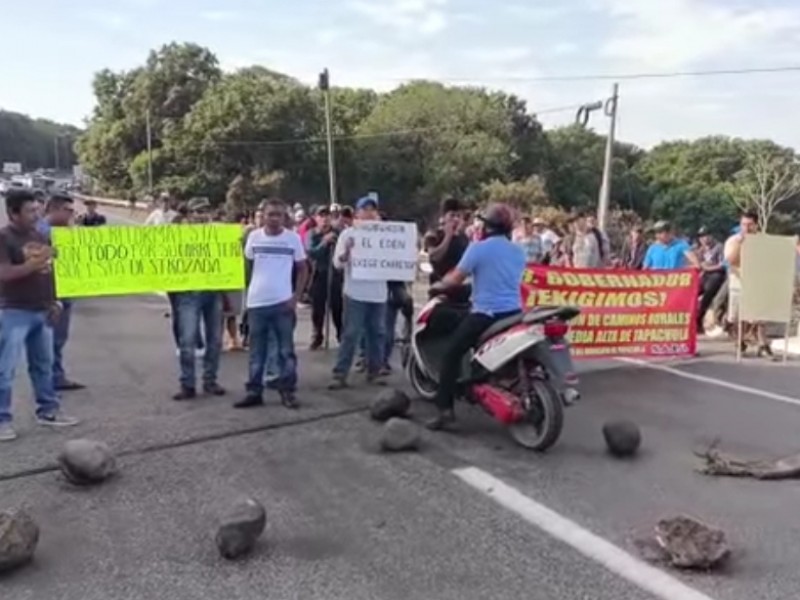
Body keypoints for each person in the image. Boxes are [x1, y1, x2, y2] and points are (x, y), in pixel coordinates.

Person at [426, 203, 526, 430]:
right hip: (514, 313)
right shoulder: (518, 251)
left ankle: (445, 411)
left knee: (451, 354)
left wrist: (439, 287)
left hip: (486, 315)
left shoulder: (478, 248)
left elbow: (455, 279)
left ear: (487, 226)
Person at [0, 189, 79, 441]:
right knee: (5, 369)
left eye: (37, 209)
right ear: (13, 213)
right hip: (13, 310)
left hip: (40, 309)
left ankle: (49, 411)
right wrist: (31, 265)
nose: (36, 215)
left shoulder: (39, 234)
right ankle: (2, 420)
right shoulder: (3, 237)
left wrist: (54, 300)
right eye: (30, 210)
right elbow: (4, 273)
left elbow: (49, 271)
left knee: (43, 365)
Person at [236, 199, 309, 410]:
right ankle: (254, 391)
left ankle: (287, 391)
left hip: (283, 303)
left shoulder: (293, 239)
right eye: (270, 214)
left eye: (278, 214)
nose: (274, 218)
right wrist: (249, 296)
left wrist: (296, 297)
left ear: (284, 217)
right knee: (257, 351)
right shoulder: (254, 237)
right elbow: (248, 267)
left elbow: (303, 269)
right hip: (257, 303)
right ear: (263, 216)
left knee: (286, 351)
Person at [329, 196, 388, 389]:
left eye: (373, 210)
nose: (369, 213)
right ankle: (340, 373)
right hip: (355, 292)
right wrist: (347, 252)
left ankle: (375, 371)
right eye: (365, 209)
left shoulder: (386, 236)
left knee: (377, 334)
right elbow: (337, 264)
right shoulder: (348, 235)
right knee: (351, 334)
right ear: (357, 213)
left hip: (379, 293)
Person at [171, 198, 226, 400]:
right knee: (187, 340)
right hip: (188, 293)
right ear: (189, 215)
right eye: (197, 212)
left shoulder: (219, 234)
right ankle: (188, 384)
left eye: (205, 211)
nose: (201, 215)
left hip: (213, 291)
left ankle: (210, 381)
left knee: (215, 340)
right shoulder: (177, 236)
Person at [37, 193, 85, 391]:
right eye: (68, 210)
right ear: (54, 209)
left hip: (63, 289)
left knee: (57, 338)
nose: (71, 215)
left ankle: (55, 375)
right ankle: (49, 379)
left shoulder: (60, 231)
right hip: (52, 292)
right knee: (53, 338)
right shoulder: (44, 232)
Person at [724, 210, 770, 357]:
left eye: (750, 225)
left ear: (756, 225)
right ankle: (740, 341)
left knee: (760, 316)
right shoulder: (733, 240)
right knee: (739, 317)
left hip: (758, 282)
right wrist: (740, 243)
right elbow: (731, 260)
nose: (746, 228)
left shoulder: (764, 241)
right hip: (738, 282)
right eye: (743, 224)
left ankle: (763, 344)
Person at [307, 205, 342, 349]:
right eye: (321, 216)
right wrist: (324, 242)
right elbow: (312, 252)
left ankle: (341, 335)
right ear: (316, 218)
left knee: (338, 308)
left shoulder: (338, 233)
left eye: (327, 215)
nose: (325, 219)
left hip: (335, 275)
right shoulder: (312, 234)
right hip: (318, 275)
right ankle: (317, 335)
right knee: (317, 309)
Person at [424, 197, 469, 284]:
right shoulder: (433, 235)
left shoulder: (464, 238)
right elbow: (434, 257)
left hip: (459, 284)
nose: (455, 219)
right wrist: (448, 237)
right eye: (452, 215)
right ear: (444, 217)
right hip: (439, 283)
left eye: (458, 216)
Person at [695, 226, 726, 334]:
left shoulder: (719, 247)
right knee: (692, 291)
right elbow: (698, 264)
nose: (704, 239)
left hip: (717, 275)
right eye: (702, 237)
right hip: (704, 275)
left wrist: (708, 267)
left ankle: (701, 316)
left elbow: (723, 265)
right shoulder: (700, 250)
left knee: (709, 290)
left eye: (707, 235)